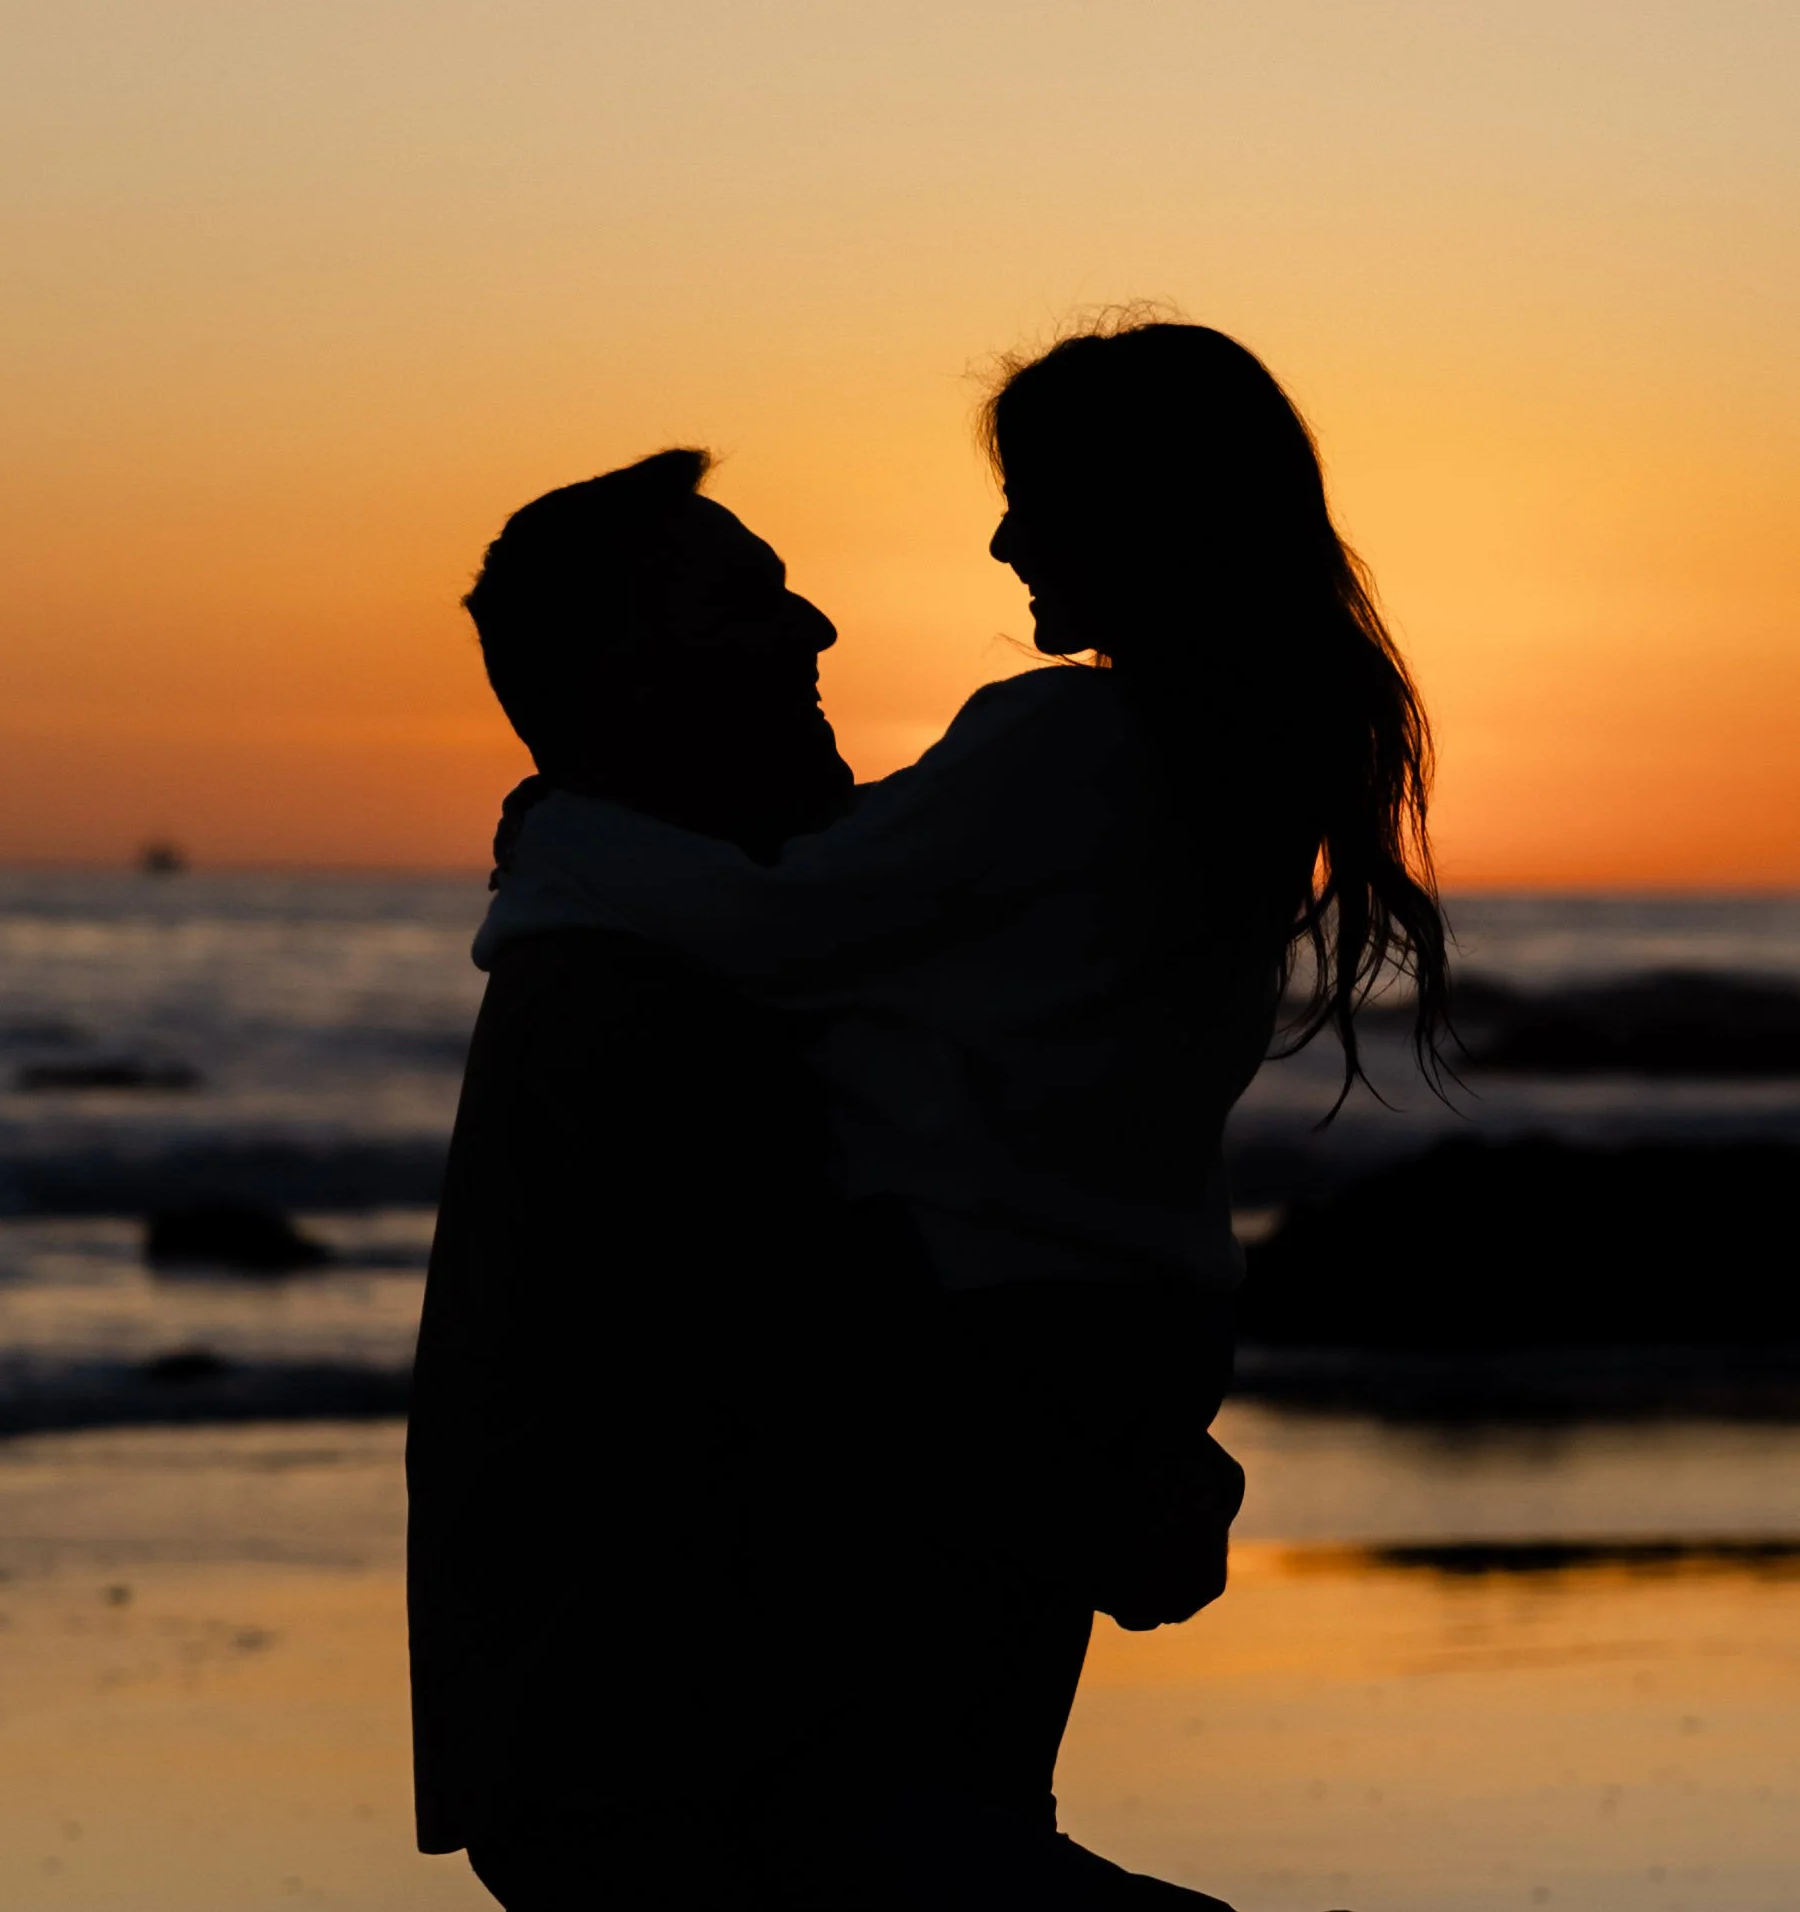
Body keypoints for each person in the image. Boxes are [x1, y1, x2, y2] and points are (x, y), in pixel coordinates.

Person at [481, 315, 1449, 1905]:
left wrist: (559, 844)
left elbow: (787, 918)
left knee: (899, 1814)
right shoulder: (1234, 766)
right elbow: (918, 928)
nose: (1001, 536)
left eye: (1034, 496)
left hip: (982, 1334)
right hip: (1136, 1320)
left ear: (1141, 512)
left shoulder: (1067, 737)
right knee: (972, 1776)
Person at [407, 447, 857, 1907]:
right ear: (632, 679)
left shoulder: (676, 932)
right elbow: (812, 1376)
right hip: (681, 1783)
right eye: (752, 605)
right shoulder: (639, 997)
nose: (816, 634)